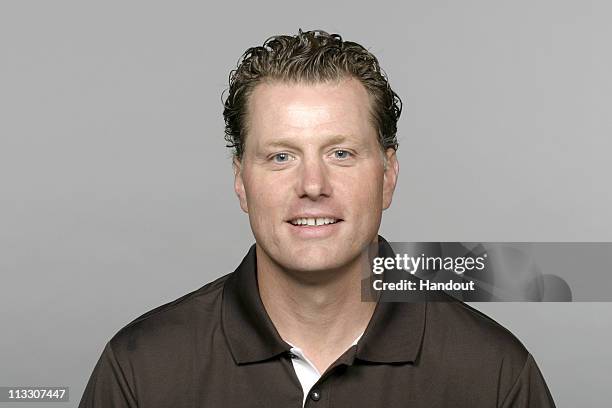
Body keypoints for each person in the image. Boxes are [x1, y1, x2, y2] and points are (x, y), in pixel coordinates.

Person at [79, 30, 556, 407]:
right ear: (241, 180)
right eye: (281, 157)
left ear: (388, 174)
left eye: (342, 153)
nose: (312, 184)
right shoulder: (140, 370)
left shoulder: (494, 375)